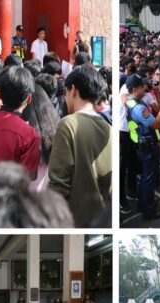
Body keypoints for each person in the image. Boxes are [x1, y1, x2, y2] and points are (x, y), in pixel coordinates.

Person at [47, 66, 112, 226]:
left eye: (66, 93)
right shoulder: (107, 127)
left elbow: (58, 184)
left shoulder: (68, 124)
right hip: (103, 219)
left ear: (73, 90)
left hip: (75, 219)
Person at [122, 74, 160, 220]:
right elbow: (156, 124)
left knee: (144, 178)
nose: (145, 89)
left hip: (142, 144)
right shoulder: (138, 108)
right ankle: (149, 209)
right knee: (149, 178)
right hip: (147, 146)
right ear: (135, 89)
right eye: (142, 87)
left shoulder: (130, 102)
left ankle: (143, 204)